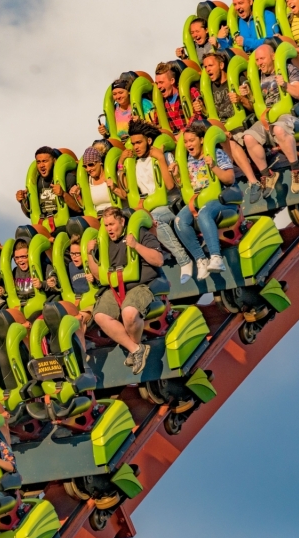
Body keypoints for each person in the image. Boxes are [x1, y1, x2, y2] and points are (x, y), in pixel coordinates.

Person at [86, 207, 165, 374]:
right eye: (106, 225)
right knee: (99, 316)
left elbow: (158, 260)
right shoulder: (104, 242)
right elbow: (97, 276)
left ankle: (134, 350)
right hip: (114, 288)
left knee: (128, 313)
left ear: (122, 221)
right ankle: (136, 349)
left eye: (112, 224)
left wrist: (136, 245)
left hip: (140, 285)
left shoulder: (139, 233)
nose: (109, 229)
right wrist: (89, 254)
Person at [114, 120, 191, 282]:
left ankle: (184, 260)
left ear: (149, 141)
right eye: (133, 143)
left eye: (139, 142)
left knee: (154, 219)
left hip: (172, 203)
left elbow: (170, 185)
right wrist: (121, 163)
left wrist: (161, 159)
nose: (136, 147)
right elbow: (127, 190)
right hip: (150, 207)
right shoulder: (134, 163)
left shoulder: (162, 155)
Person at [232, 44, 299, 201]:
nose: (259, 63)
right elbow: (253, 106)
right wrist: (245, 98)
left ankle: (296, 170)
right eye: (257, 60)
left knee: (279, 130)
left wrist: (285, 85)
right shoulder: (257, 78)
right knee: (248, 137)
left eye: (262, 58)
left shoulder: (287, 69)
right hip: (266, 119)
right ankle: (267, 175)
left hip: (288, 114)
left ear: (273, 57)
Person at [171, 120, 235, 280]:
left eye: (191, 140)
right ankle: (201, 260)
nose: (188, 145)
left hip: (220, 199)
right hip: (198, 199)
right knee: (179, 221)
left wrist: (213, 166)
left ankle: (216, 257)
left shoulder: (216, 153)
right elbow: (187, 187)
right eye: (185, 142)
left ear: (201, 140)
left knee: (205, 213)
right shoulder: (188, 161)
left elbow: (229, 179)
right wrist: (177, 175)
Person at [195, 52, 260, 185]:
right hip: (220, 130)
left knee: (229, 143)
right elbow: (209, 116)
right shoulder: (208, 88)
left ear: (221, 65)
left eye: (211, 66)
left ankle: (253, 182)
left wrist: (241, 99)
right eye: (205, 67)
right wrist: (200, 109)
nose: (207, 70)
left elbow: (254, 108)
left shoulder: (237, 79)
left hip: (240, 128)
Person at [15, 146, 80, 224]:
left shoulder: (68, 178)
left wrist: (63, 194)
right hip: (44, 225)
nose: (41, 165)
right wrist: (23, 201)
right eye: (38, 162)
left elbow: (79, 209)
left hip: (66, 224)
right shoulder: (36, 182)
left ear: (54, 161)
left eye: (45, 161)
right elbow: (29, 214)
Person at [0, 239, 59, 308]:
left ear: (30, 255)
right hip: (21, 307)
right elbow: (10, 291)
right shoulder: (15, 271)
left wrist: (42, 284)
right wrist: (3, 292)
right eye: (17, 258)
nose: (20, 260)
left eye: (23, 257)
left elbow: (57, 285)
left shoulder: (43, 267)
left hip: (40, 307)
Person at [155, 62, 200, 133]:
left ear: (172, 81)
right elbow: (157, 124)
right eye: (157, 83)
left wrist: (183, 132)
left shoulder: (190, 92)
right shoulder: (161, 103)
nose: (158, 87)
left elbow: (199, 116)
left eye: (161, 82)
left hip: (192, 135)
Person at [69, 145, 114, 216]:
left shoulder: (112, 175)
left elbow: (124, 195)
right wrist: (77, 196)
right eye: (85, 166)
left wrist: (114, 188)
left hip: (115, 214)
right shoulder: (88, 181)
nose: (88, 169)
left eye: (91, 165)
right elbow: (85, 206)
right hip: (98, 216)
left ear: (100, 162)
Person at [65, 234, 95, 333]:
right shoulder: (70, 266)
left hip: (91, 303)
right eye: (72, 254)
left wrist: (94, 278)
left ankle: (82, 346)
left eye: (77, 254)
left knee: (79, 319)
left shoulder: (91, 263)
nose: (74, 257)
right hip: (76, 302)